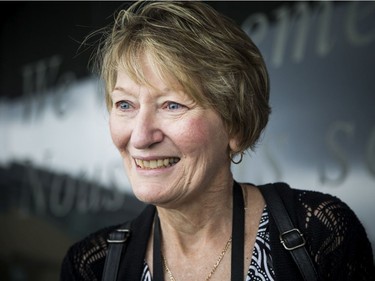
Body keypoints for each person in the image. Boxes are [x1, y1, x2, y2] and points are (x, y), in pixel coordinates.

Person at [60, 1, 374, 280]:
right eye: (125, 105)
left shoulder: (320, 234)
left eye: (172, 105)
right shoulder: (92, 267)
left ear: (235, 125)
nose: (140, 137)